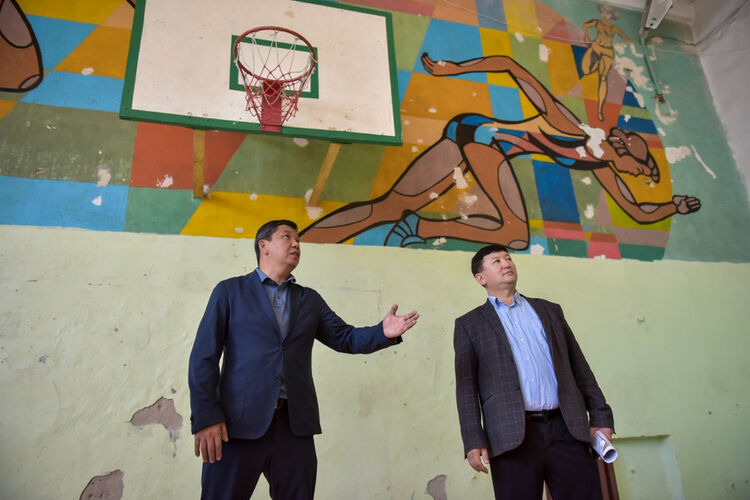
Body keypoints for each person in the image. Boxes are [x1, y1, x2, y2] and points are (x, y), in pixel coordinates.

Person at [299, 53, 700, 249]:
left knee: (388, 207)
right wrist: (453, 69)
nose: (634, 170)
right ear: (626, 158)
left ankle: (304, 246)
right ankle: (425, 228)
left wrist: (674, 206)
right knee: (517, 236)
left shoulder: (602, 166)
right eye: (636, 163)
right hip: (485, 139)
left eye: (637, 166)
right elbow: (512, 65)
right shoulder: (571, 127)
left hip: (469, 133)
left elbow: (637, 212)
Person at [188, 219, 419, 500]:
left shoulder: (309, 300)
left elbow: (345, 337)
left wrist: (382, 332)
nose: (296, 244)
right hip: (236, 426)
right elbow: (203, 357)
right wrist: (206, 417)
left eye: (298, 239)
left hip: (294, 428)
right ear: (264, 246)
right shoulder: (230, 291)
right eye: (287, 237)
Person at [454, 244, 614, 499]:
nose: (506, 263)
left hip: (566, 428)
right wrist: (473, 439)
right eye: (496, 261)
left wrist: (601, 417)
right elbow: (466, 389)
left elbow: (579, 366)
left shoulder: (550, 310)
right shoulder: (469, 325)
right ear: (481, 278)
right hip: (510, 435)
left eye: (508, 258)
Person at [581, 5, 633, 121]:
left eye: (608, 13)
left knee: (603, 78)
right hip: (596, 47)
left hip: (607, 52)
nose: (605, 15)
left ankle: (600, 111)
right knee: (586, 70)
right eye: (604, 12)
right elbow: (585, 25)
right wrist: (587, 36)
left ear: (611, 16)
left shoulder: (614, 28)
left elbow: (627, 38)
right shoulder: (597, 22)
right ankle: (596, 65)